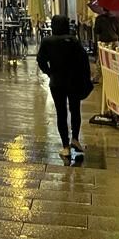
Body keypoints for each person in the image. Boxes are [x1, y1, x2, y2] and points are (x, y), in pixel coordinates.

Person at [37, 15, 93, 159]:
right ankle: (75, 138)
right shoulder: (73, 41)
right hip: (73, 81)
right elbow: (83, 60)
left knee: (61, 113)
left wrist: (49, 73)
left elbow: (41, 60)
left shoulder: (47, 41)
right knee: (75, 110)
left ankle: (65, 146)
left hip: (57, 82)